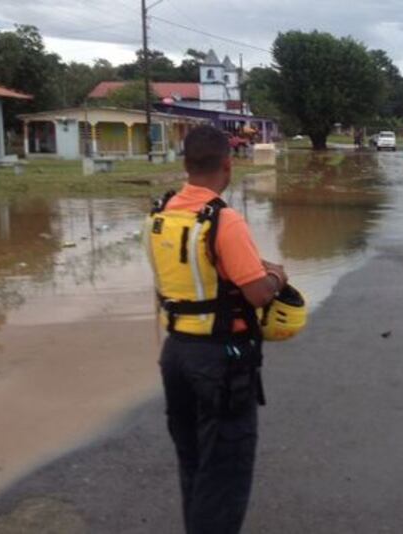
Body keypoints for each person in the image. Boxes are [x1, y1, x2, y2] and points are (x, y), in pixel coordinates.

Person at [144, 125, 288, 534]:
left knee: (193, 462)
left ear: (186, 164)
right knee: (224, 470)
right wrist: (277, 277)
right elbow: (258, 294)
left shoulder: (161, 213)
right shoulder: (224, 220)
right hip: (221, 361)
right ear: (228, 164)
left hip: (176, 354)